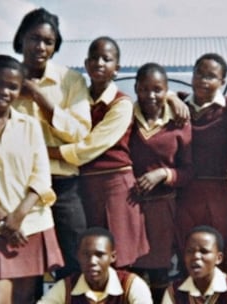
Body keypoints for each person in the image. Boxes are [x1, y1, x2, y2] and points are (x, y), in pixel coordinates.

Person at [0, 8, 91, 280]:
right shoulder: (5, 79)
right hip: (17, 190)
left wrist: (38, 96)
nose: (40, 47)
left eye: (48, 42)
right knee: (26, 271)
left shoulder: (71, 81)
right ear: (21, 38)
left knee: (75, 264)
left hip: (62, 186)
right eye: (34, 38)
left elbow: (79, 133)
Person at [0, 55, 64, 304]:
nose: (5, 91)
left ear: (20, 90)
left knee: (25, 301)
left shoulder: (29, 125)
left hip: (32, 225)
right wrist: (6, 221)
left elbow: (41, 176)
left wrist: (17, 218)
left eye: (13, 87)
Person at [58, 36, 150, 268]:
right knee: (90, 260)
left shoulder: (122, 104)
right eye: (94, 58)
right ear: (86, 64)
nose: (99, 63)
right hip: (83, 188)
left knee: (119, 259)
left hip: (115, 186)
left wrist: (50, 153)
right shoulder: (75, 100)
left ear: (116, 69)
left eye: (106, 59)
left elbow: (90, 148)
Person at [128, 62, 193, 300]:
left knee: (159, 277)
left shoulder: (179, 121)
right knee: (130, 276)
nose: (151, 95)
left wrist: (164, 174)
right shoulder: (125, 116)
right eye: (144, 89)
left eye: (158, 89)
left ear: (166, 90)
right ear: (135, 88)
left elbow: (188, 171)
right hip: (130, 208)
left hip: (163, 211)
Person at [174, 53, 227, 273]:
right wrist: (172, 98)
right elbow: (159, 91)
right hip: (184, 193)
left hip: (217, 192)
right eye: (199, 73)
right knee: (187, 258)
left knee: (218, 258)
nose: (203, 79)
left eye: (211, 76)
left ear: (222, 82)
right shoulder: (179, 104)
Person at [38, 227, 153, 304]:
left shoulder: (131, 285)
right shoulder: (67, 287)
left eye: (100, 255)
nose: (92, 261)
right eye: (86, 255)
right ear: (78, 256)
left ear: (112, 257)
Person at [162, 225, 227, 303]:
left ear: (218, 258)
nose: (196, 256)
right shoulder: (174, 292)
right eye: (190, 251)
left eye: (204, 251)